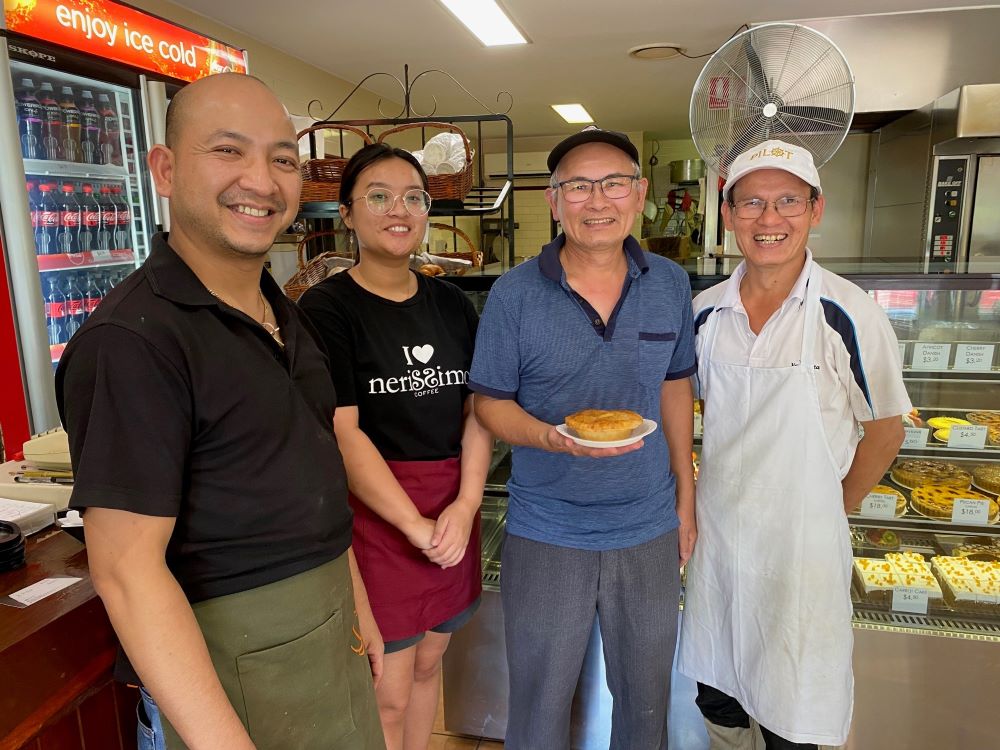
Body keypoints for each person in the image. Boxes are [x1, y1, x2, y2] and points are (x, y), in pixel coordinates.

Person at [55, 73, 385, 750]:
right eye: (228, 151)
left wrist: (358, 607)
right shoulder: (134, 341)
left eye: (282, 159)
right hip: (231, 677)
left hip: (330, 640)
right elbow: (125, 570)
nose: (261, 181)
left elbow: (314, 476)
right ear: (166, 170)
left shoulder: (285, 316)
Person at [469, 126, 698, 749]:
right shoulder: (514, 294)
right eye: (578, 186)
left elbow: (676, 387)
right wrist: (552, 438)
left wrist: (686, 494)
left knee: (647, 700)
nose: (597, 201)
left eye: (613, 183)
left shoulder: (672, 285)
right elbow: (488, 404)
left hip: (647, 527)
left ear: (639, 191)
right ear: (553, 198)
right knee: (540, 702)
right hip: (547, 529)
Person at [677, 140, 911, 750]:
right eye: (751, 203)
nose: (768, 219)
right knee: (718, 692)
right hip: (721, 540)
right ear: (728, 214)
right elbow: (682, 407)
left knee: (795, 707)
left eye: (787, 202)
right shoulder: (704, 312)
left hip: (802, 552)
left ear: (815, 209)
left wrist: (833, 506)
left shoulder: (847, 312)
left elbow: (887, 427)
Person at [298, 143, 492, 750]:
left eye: (413, 197)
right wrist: (412, 524)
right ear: (348, 214)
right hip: (379, 517)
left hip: (452, 508)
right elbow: (343, 430)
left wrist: (464, 506)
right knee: (387, 685)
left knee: (431, 663)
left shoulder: (451, 304)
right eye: (378, 196)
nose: (398, 209)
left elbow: (478, 414)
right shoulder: (327, 308)